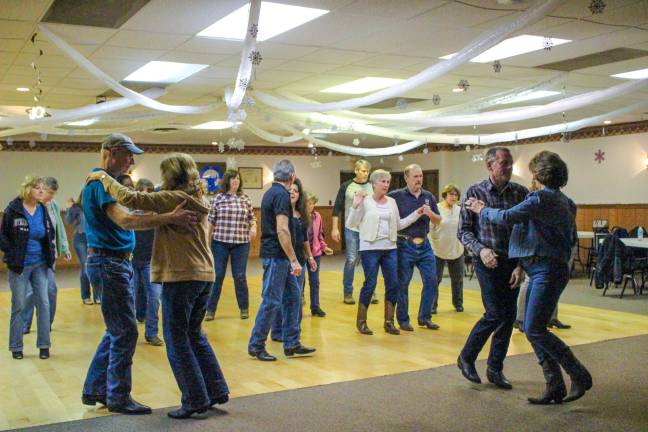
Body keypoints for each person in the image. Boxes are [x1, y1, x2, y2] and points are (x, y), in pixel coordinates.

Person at [86, 152, 230, 419]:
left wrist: (102, 177)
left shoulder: (174, 198)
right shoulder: (196, 196)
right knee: (195, 335)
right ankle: (215, 390)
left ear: (170, 175)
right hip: (204, 275)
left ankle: (195, 398)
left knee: (176, 339)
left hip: (182, 275)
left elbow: (131, 199)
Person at [81, 133, 198, 415]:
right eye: (129, 155)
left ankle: (96, 389)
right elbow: (126, 220)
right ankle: (118, 397)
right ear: (113, 152)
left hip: (111, 262)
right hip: (110, 263)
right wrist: (170, 218)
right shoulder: (100, 183)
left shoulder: (105, 184)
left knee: (117, 330)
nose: (132, 162)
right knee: (126, 332)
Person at [464, 150, 591, 404]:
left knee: (533, 327)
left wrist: (482, 209)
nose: (529, 177)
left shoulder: (539, 198)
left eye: (533, 172)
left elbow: (506, 217)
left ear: (540, 175)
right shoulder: (566, 201)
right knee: (533, 328)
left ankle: (578, 374)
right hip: (542, 270)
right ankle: (554, 384)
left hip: (546, 271)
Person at [456, 147, 527, 390]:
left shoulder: (520, 193)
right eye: (504, 163)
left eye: (510, 164)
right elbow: (463, 231)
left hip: (512, 262)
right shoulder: (474, 191)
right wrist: (481, 250)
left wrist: (521, 265)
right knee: (495, 313)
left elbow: (525, 232)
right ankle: (467, 357)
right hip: (486, 260)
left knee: (508, 318)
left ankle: (495, 369)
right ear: (489, 166)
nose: (508, 168)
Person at [347, 169, 431, 336]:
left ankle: (389, 322)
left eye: (388, 182)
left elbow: (398, 225)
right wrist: (356, 205)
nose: (386, 185)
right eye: (383, 181)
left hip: (390, 248)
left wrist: (416, 214)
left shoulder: (392, 202)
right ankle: (362, 321)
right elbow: (352, 223)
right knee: (370, 284)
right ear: (374, 184)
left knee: (393, 284)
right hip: (370, 248)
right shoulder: (365, 201)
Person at [248, 160, 316, 361]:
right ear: (292, 177)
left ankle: (292, 343)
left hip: (279, 257)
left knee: (294, 298)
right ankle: (256, 344)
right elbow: (282, 229)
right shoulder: (281, 196)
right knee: (271, 300)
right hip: (277, 256)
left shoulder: (270, 193)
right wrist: (294, 260)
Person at [1, 176, 56, 360]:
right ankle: (16, 346)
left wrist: (51, 252)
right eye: (37, 188)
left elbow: (49, 233)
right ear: (27, 190)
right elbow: (3, 236)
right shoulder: (13, 210)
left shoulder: (42, 209)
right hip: (20, 265)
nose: (41, 191)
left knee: (44, 302)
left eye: (42, 188)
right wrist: (11, 253)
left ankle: (44, 345)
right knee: (19, 304)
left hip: (40, 263)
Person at [388, 164, 442, 331]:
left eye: (420, 176)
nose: (419, 180)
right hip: (404, 244)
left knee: (432, 281)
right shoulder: (395, 196)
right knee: (403, 283)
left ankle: (425, 317)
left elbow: (438, 220)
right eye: (415, 177)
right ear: (406, 178)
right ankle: (403, 320)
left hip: (424, 245)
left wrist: (430, 213)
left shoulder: (428, 196)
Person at [205, 169, 256, 321]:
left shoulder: (245, 198)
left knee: (239, 276)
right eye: (233, 178)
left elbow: (252, 218)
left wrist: (253, 227)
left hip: (241, 243)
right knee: (218, 275)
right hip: (220, 242)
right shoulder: (218, 198)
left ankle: (244, 308)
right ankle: (210, 310)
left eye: (238, 179)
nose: (236, 181)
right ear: (227, 181)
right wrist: (206, 243)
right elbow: (210, 223)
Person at [22, 176, 71, 333]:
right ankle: (25, 323)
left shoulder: (53, 205)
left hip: (49, 255)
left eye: (53, 194)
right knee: (30, 292)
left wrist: (64, 247)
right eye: (49, 192)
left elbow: (59, 227)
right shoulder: (28, 205)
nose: (51, 196)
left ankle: (47, 322)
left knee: (51, 289)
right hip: (30, 255)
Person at [270, 178, 317, 341]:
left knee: (296, 297)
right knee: (280, 297)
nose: (293, 193)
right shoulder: (281, 213)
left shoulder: (303, 215)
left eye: (296, 191)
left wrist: (310, 256)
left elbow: (305, 239)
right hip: (283, 260)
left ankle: (294, 330)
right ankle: (277, 331)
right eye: (290, 191)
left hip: (300, 260)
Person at [332, 159, 375, 305]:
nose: (366, 173)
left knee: (369, 260)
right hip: (351, 228)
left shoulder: (372, 186)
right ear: (356, 171)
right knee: (351, 259)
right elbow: (337, 207)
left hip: (368, 228)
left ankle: (371, 291)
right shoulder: (346, 186)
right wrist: (334, 227)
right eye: (363, 171)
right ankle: (348, 292)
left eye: (367, 171)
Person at [131, 178, 163, 346]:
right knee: (132, 295)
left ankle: (151, 332)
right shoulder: (129, 214)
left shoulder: (157, 215)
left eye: (149, 192)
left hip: (150, 262)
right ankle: (131, 329)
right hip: (130, 261)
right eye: (142, 192)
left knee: (155, 296)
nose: (146, 196)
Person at [431, 183, 465, 313]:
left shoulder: (460, 210)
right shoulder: (437, 208)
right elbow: (429, 228)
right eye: (451, 194)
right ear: (445, 195)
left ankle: (458, 303)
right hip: (438, 248)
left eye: (456, 194)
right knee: (435, 279)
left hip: (457, 248)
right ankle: (432, 306)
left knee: (458, 280)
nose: (454, 197)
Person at [65, 193, 100, 304]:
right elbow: (68, 221)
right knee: (85, 267)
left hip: (94, 239)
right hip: (80, 239)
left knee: (96, 267)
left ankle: (98, 295)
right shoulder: (77, 208)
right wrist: (69, 208)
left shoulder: (97, 206)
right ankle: (85, 296)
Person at [306, 192, 333, 317]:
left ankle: (315, 307)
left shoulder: (317, 216)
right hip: (302, 254)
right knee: (299, 283)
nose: (309, 206)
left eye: (312, 203)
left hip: (315, 253)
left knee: (315, 281)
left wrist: (324, 247)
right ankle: (296, 307)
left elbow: (320, 235)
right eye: (307, 203)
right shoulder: (297, 216)